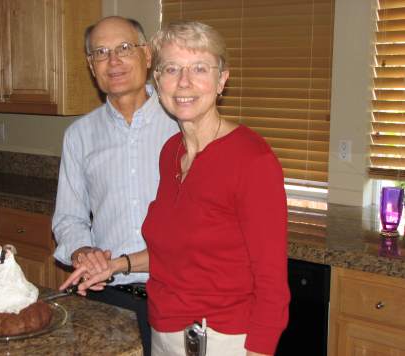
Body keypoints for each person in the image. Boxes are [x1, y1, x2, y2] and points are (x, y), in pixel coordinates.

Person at [60, 20, 290, 356]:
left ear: (222, 79)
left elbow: (271, 282)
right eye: (172, 69)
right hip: (166, 332)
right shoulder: (172, 152)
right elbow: (175, 254)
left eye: (200, 68)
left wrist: (259, 350)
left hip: (225, 338)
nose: (184, 82)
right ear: (159, 78)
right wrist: (116, 265)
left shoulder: (252, 159)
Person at [52, 16, 179, 356]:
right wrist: (83, 252)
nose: (114, 61)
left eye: (124, 48)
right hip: (106, 298)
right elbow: (68, 218)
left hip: (178, 297)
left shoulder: (183, 127)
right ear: (91, 66)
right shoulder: (79, 136)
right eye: (101, 52)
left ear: (147, 55)